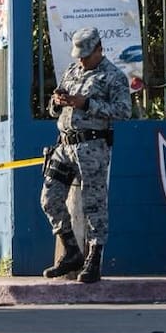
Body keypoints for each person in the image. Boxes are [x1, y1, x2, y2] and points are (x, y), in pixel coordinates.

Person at [41, 27, 133, 284]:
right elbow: (53, 108)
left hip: (92, 147)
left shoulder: (112, 76)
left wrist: (87, 104)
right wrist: (57, 102)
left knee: (94, 204)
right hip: (65, 145)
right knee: (49, 198)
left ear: (99, 49)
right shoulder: (72, 71)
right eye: (78, 55)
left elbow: (124, 111)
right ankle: (71, 250)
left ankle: (94, 257)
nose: (81, 60)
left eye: (86, 55)